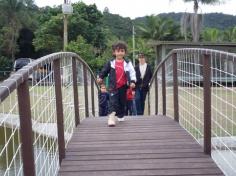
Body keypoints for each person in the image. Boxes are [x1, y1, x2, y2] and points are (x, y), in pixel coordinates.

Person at [97, 41, 136, 127]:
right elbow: (104, 71)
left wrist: (132, 81)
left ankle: (121, 115)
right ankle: (111, 117)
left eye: (122, 51)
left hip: (123, 86)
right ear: (114, 52)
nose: (120, 53)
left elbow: (132, 73)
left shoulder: (128, 63)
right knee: (113, 102)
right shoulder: (111, 63)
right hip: (113, 86)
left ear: (125, 52)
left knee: (122, 102)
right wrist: (100, 77)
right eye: (118, 51)